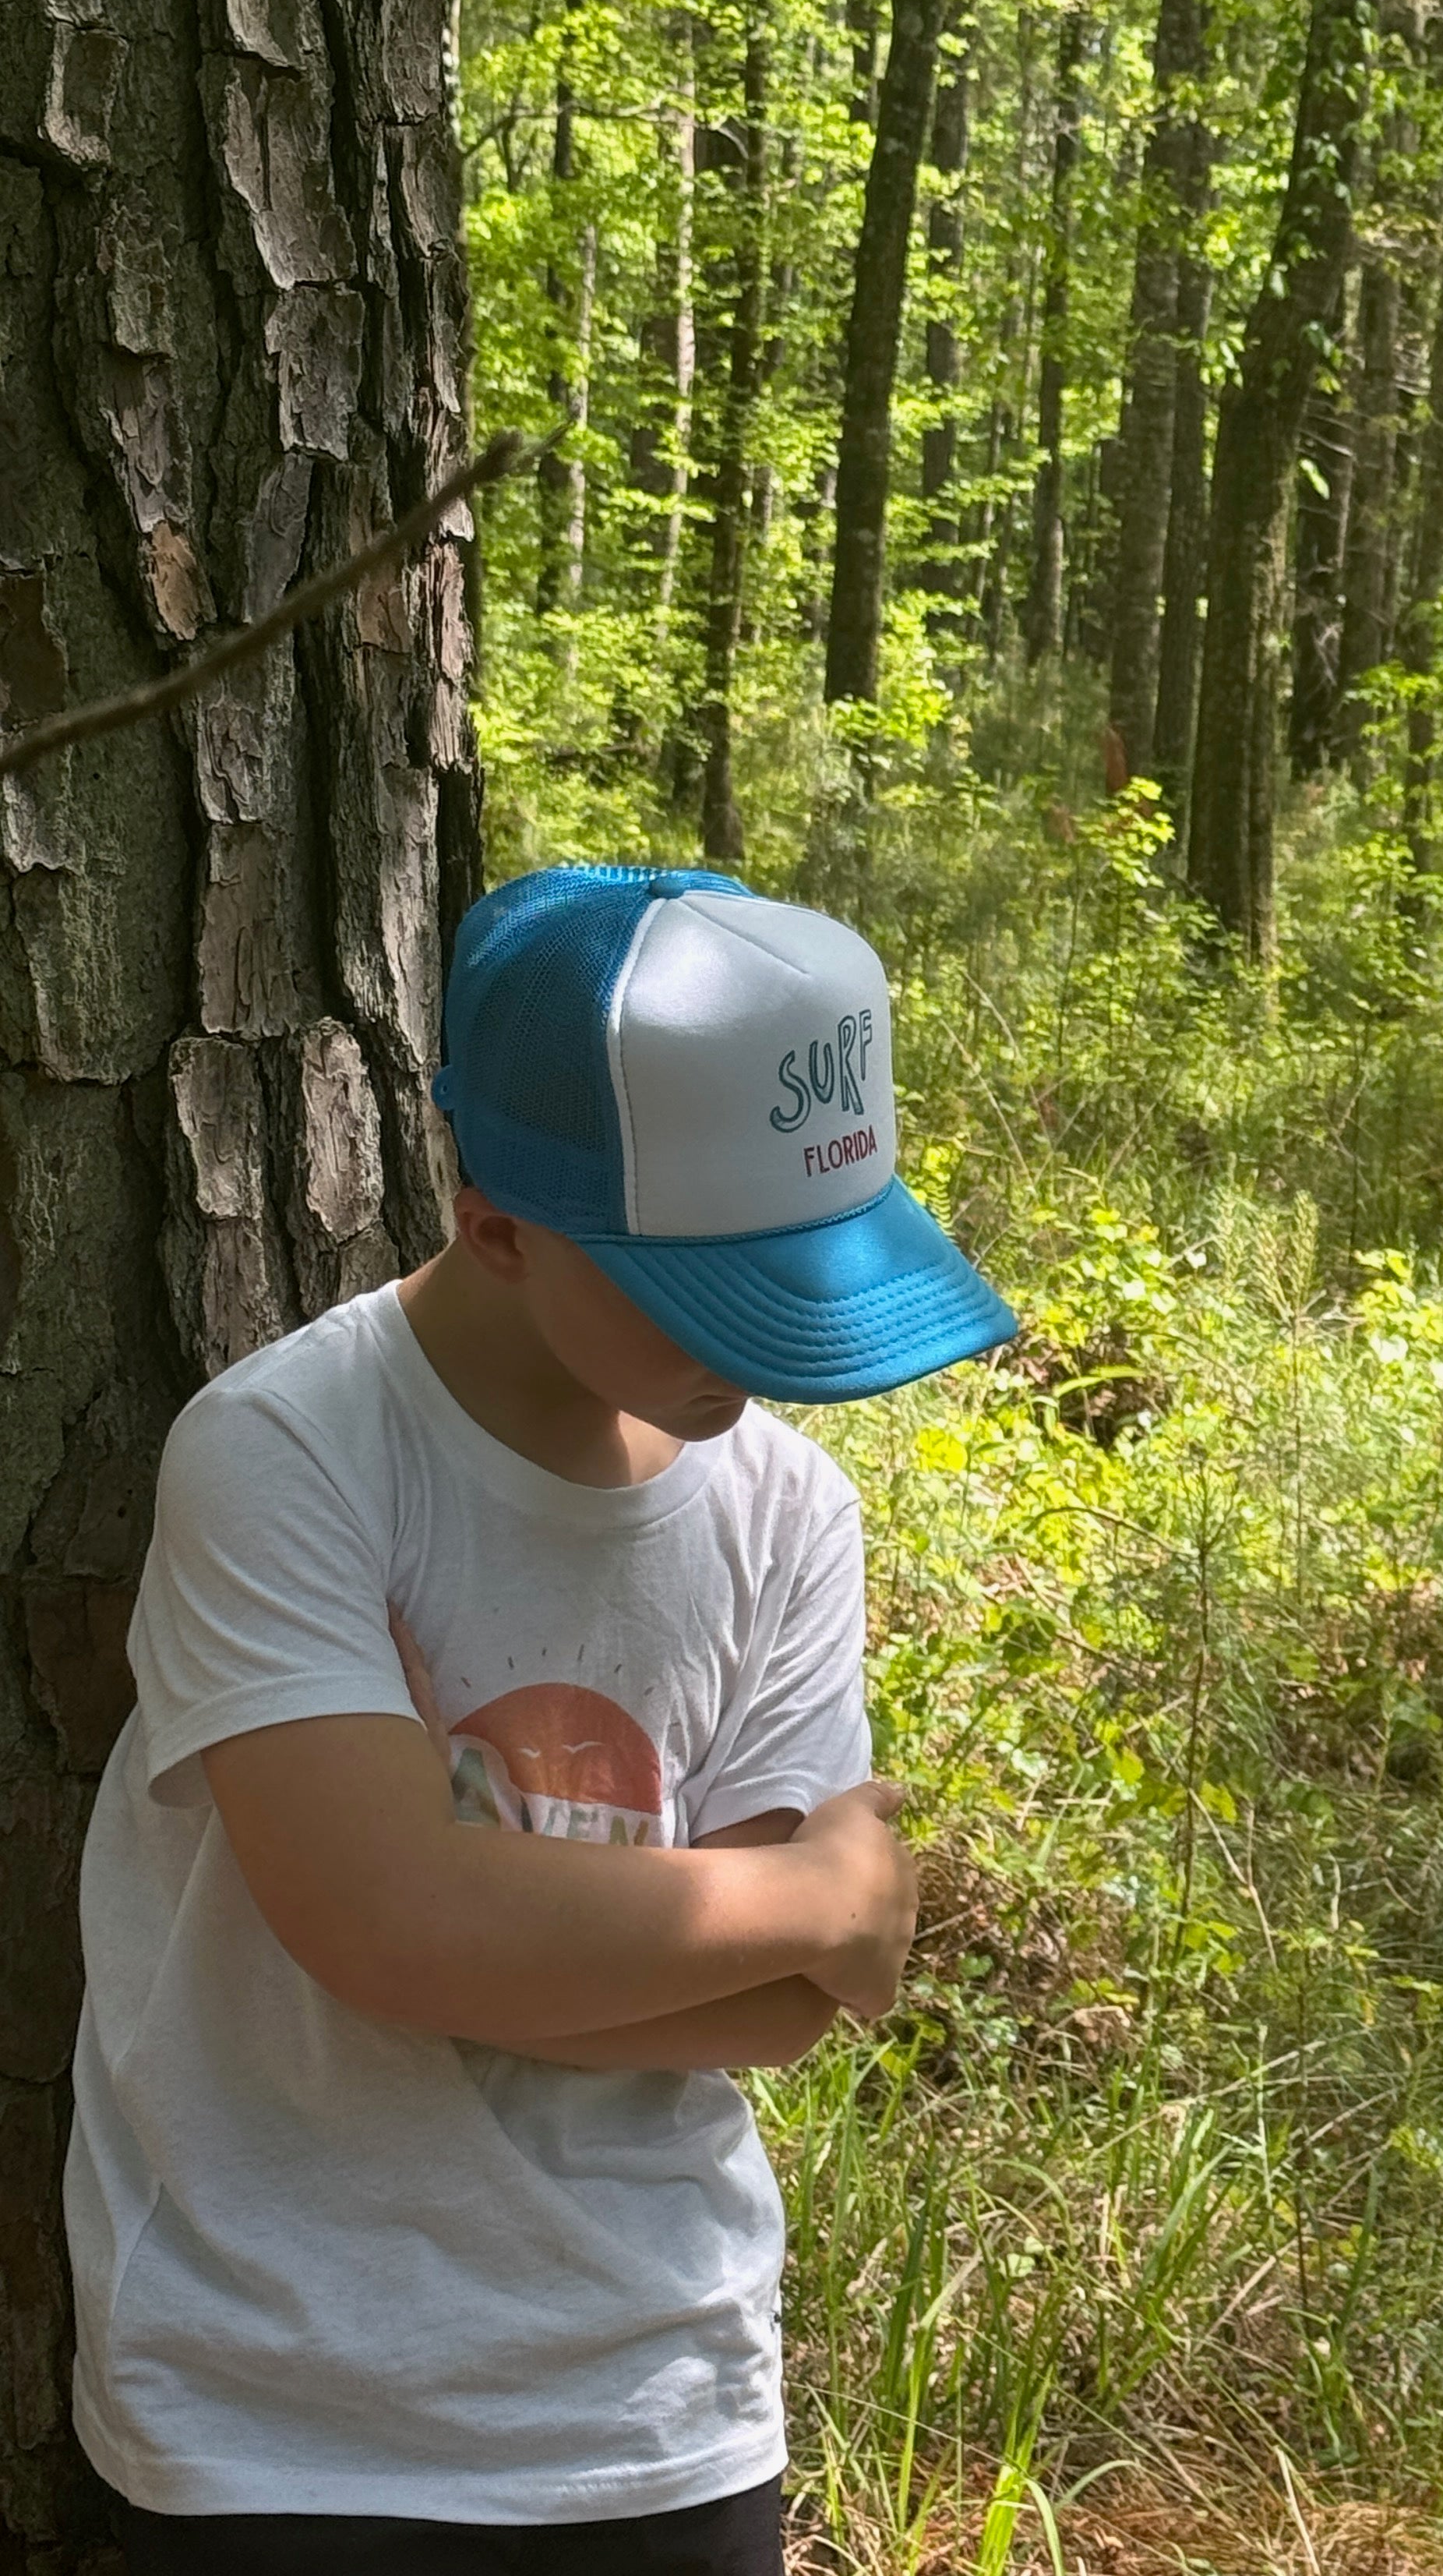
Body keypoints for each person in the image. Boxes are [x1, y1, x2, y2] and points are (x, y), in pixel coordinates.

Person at [66, 867, 1018, 2573]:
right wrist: (814, 1898)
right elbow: (394, 1924)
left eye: (816, 1266)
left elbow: (780, 2017)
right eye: (716, 1284)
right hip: (283, 2420)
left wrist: (498, 1952)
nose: (789, 1345)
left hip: (661, 2407)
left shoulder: (788, 1510)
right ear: (494, 1215)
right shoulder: (290, 1456)